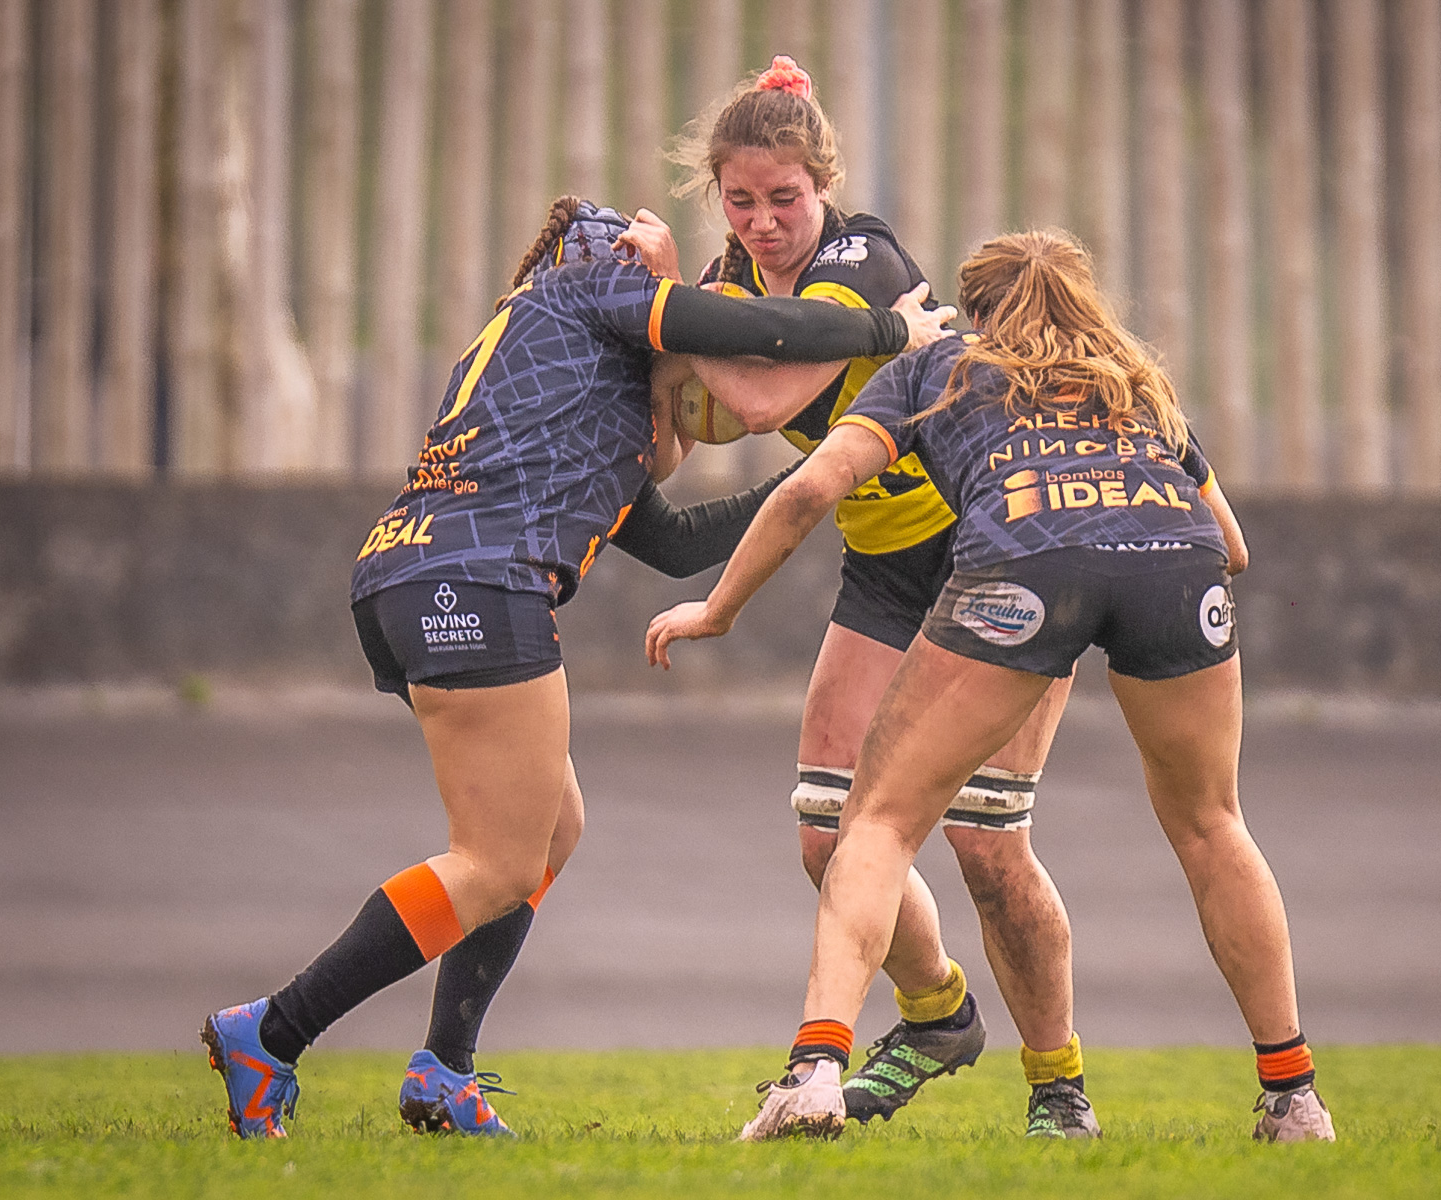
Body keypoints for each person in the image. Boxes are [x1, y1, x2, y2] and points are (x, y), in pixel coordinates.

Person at [199, 197, 955, 1140]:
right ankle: (270, 1032)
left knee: (551, 831)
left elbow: (676, 545)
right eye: (639, 254)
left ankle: (444, 1069)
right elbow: (765, 326)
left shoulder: (562, 367)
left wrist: (826, 480)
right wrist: (894, 328)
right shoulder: (590, 289)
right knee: (496, 860)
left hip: (410, 576)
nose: (653, 273)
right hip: (475, 586)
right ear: (599, 258)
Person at [648, 230, 1336, 1145]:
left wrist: (718, 610)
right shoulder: (1134, 383)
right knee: (1213, 826)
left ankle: (815, 1073)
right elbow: (1234, 546)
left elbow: (812, 491)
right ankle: (1293, 1097)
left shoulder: (942, 367)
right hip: (1179, 568)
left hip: (1026, 570)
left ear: (975, 313)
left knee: (881, 819)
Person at [625, 56, 1088, 1134]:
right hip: (887, 563)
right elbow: (688, 430)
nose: (764, 221)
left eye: (783, 198)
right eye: (740, 202)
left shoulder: (862, 258)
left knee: (984, 839)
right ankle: (936, 1017)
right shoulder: (732, 286)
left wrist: (664, 309)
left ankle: (1059, 1085)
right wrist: (664, 347)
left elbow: (763, 391)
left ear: (822, 183)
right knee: (828, 832)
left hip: (993, 548)